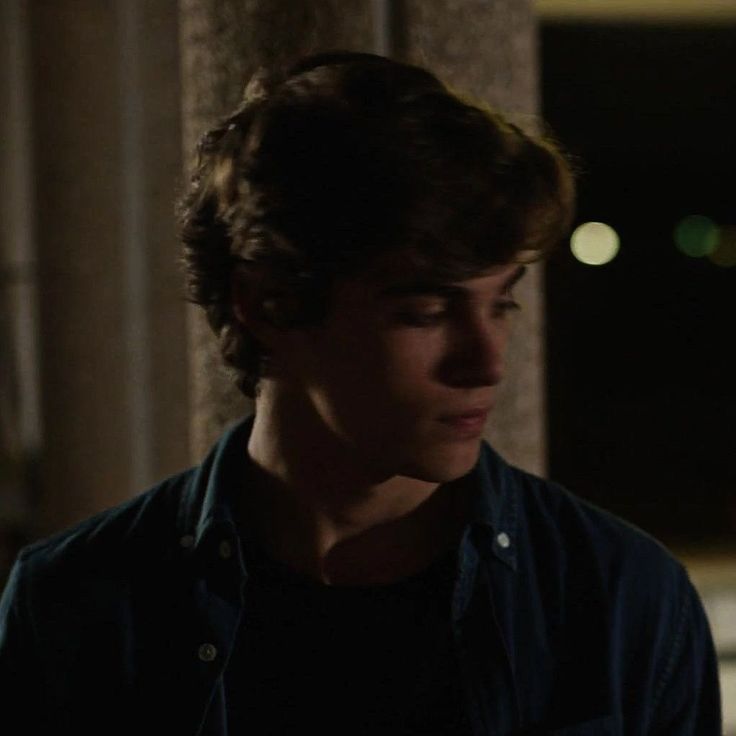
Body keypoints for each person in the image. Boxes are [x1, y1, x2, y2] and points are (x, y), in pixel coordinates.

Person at [0, 52, 722, 735]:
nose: (487, 360)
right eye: (426, 311)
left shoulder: (621, 601)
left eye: (502, 302)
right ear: (267, 303)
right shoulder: (77, 607)